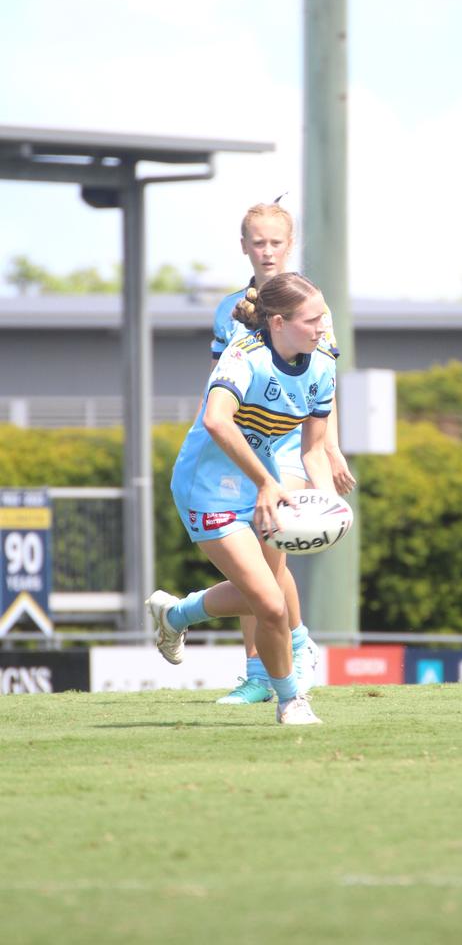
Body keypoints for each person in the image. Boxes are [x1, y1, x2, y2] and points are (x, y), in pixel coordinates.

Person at [147, 273, 338, 725]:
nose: (322, 328)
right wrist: (267, 483)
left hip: (260, 484)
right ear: (278, 323)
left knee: (265, 595)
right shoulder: (244, 356)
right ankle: (291, 700)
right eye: (312, 320)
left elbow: (312, 449)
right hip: (207, 490)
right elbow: (216, 421)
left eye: (323, 317)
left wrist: (329, 501)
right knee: (271, 604)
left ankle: (175, 615)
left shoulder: (324, 362)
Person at [210, 202, 355, 705]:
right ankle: (262, 664)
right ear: (244, 245)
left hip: (292, 447)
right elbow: (221, 389)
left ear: (288, 245)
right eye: (257, 241)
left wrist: (330, 446)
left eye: (275, 241)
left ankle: (285, 654)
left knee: (266, 548)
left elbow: (324, 381)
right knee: (255, 564)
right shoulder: (228, 308)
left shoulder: (309, 304)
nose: (266, 250)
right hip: (249, 449)